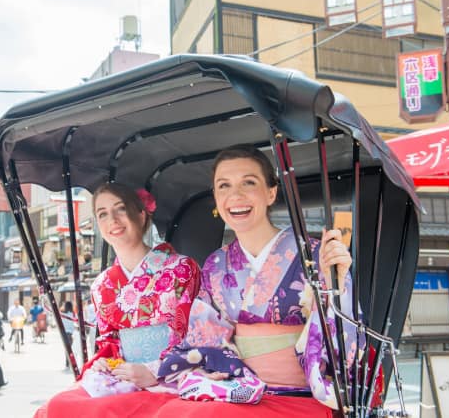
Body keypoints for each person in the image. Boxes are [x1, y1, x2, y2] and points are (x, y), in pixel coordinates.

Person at [153, 144, 359, 417]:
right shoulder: (216, 264)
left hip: (301, 393)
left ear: (271, 193)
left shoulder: (315, 255)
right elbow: (205, 337)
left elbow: (342, 336)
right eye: (224, 186)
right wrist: (209, 370)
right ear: (215, 197)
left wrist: (336, 285)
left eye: (248, 182)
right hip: (239, 386)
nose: (235, 195)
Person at [34, 183, 201, 418]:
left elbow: (200, 335)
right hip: (125, 378)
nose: (112, 220)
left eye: (120, 209)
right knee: (56, 407)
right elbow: (110, 342)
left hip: (173, 376)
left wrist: (155, 370)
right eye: (102, 214)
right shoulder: (102, 285)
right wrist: (105, 362)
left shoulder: (182, 268)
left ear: (141, 215)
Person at [61, 301, 75, 368]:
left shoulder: (62, 314)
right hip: (72, 334)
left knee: (67, 348)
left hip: (64, 333)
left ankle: (67, 362)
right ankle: (71, 362)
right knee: (71, 349)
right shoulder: (73, 314)